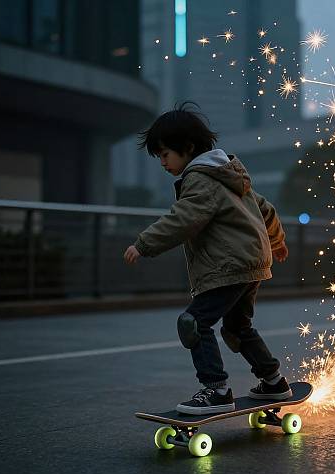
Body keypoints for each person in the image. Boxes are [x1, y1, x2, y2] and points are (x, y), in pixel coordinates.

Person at [123, 102, 291, 415]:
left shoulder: (200, 179)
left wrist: (144, 243)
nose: (162, 163)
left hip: (228, 266)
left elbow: (185, 218)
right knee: (238, 327)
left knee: (193, 322)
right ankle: (274, 382)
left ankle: (216, 389)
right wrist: (277, 241)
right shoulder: (229, 174)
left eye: (164, 155)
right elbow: (266, 209)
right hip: (252, 263)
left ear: (187, 148)